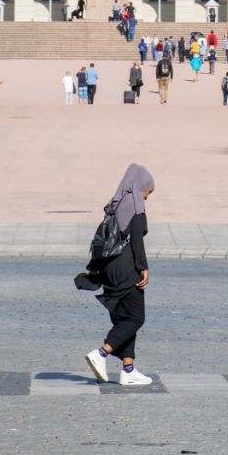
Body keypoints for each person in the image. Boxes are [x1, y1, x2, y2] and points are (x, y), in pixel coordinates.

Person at [82, 163, 155, 386]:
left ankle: (128, 369)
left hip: (109, 267)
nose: (147, 197)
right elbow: (136, 240)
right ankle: (101, 353)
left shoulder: (115, 203)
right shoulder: (135, 204)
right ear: (140, 187)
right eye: (148, 191)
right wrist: (143, 267)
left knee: (124, 318)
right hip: (126, 267)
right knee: (135, 317)